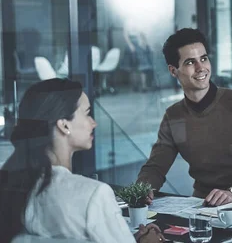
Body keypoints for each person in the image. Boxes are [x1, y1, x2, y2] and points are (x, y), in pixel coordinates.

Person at [0, 79, 164, 243]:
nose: (94, 123)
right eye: (87, 113)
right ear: (64, 125)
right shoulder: (93, 195)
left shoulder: (12, 188)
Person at [137, 28, 232, 206]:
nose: (201, 68)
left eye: (204, 58)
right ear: (173, 70)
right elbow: (156, 166)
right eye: (190, 62)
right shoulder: (174, 116)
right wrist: (141, 190)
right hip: (203, 206)